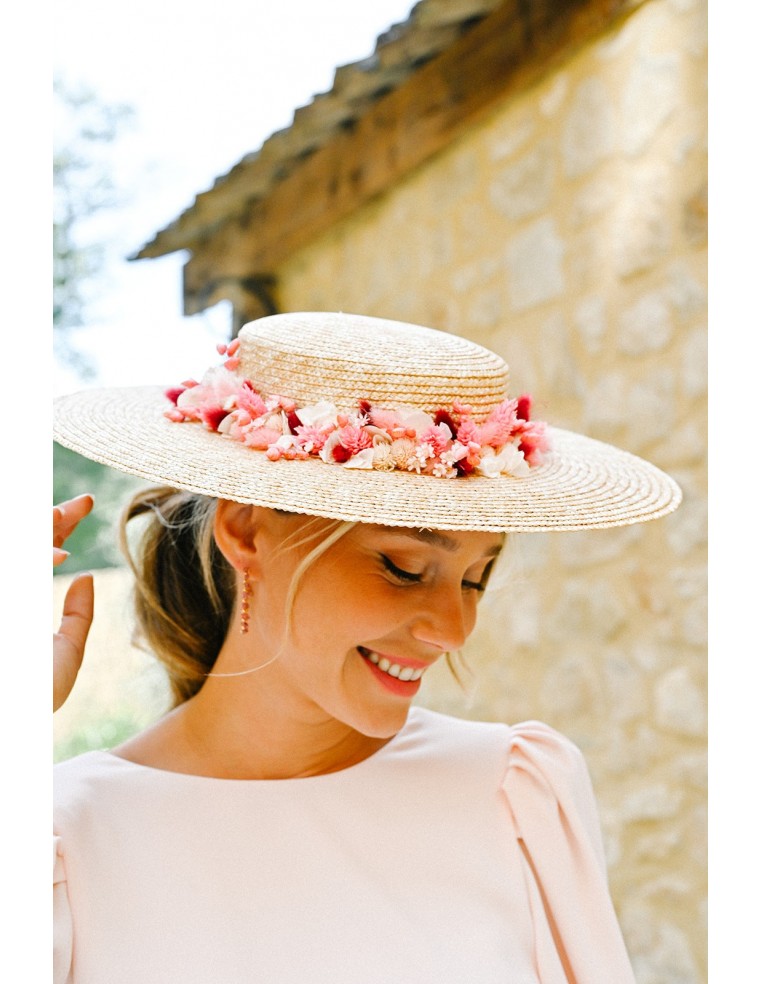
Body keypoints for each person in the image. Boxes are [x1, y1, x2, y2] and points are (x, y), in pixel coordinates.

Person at [53, 311, 681, 983]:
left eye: (477, 577)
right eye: (405, 568)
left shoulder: (514, 794)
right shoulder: (64, 839)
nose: (454, 628)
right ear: (245, 530)